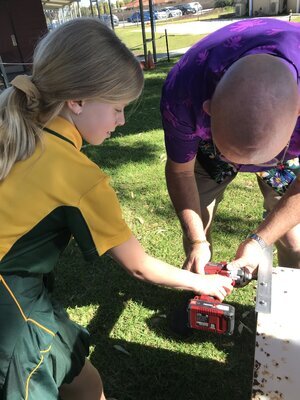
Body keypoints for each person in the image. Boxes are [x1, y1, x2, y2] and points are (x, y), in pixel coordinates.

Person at [0, 18, 233, 400]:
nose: (122, 121)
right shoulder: (78, 176)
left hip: (26, 295)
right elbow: (137, 264)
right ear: (76, 101)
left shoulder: (17, 128)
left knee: (86, 383)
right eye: (117, 108)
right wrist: (202, 282)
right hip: (10, 310)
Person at [160, 17, 300, 274]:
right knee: (196, 222)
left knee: (295, 241)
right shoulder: (184, 93)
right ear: (208, 109)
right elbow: (181, 171)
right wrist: (196, 240)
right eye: (231, 152)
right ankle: (203, 294)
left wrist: (259, 241)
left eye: (263, 158)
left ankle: (289, 301)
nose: (246, 167)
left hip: (285, 153)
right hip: (208, 149)